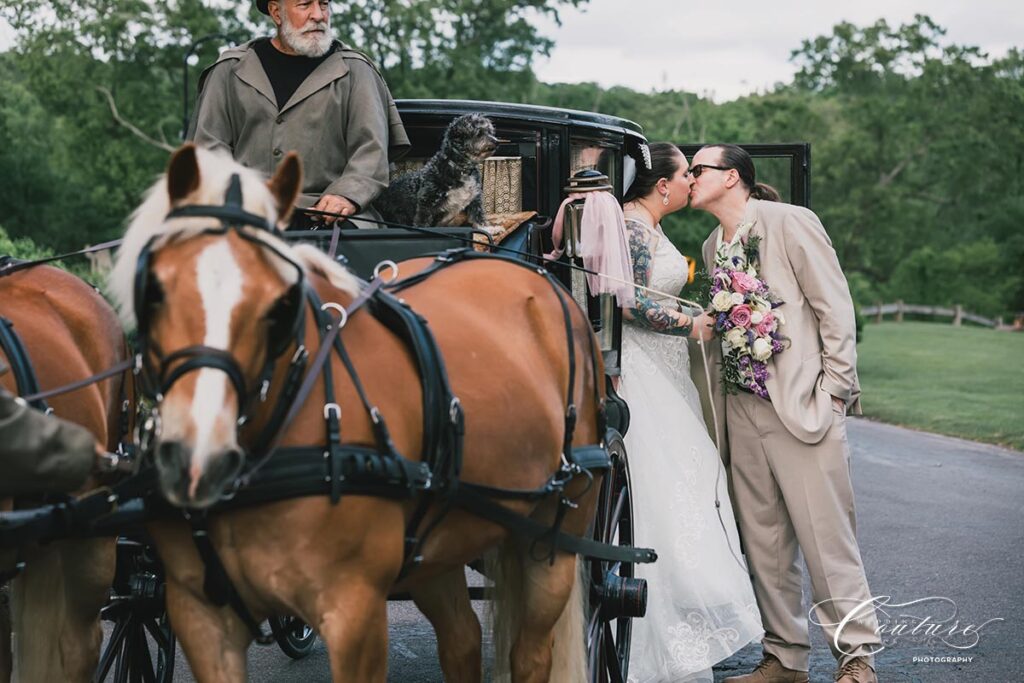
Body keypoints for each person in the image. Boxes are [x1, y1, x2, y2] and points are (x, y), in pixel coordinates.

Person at [689, 144, 881, 683]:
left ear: (731, 178)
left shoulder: (789, 222)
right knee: (764, 542)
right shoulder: (710, 245)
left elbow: (833, 304)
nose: (690, 177)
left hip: (802, 404)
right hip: (742, 406)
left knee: (826, 539)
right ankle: (784, 658)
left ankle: (858, 658)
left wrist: (836, 389)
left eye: (698, 169)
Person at [618, 142, 763, 683]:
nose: (690, 183)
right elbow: (625, 302)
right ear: (662, 185)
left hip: (668, 370)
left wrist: (687, 310)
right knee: (667, 481)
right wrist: (690, 324)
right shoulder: (632, 227)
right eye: (686, 175)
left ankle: (687, 612)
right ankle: (660, 621)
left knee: (689, 477)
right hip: (643, 370)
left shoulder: (648, 226)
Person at [187, 0, 410, 225]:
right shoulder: (229, 70)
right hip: (244, 209)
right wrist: (240, 193)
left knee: (357, 251)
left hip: (330, 214)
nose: (318, 15)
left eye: (324, 4)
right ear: (276, 12)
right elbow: (208, 149)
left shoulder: (356, 70)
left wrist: (346, 194)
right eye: (305, 5)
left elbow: (372, 151)